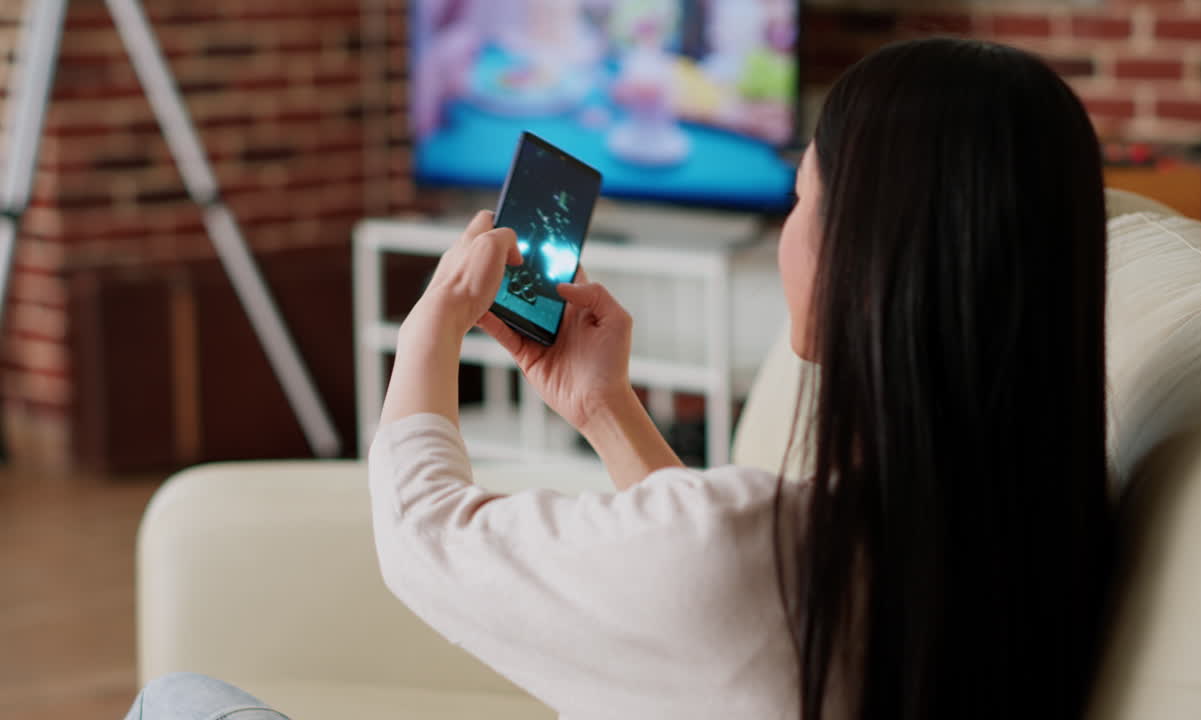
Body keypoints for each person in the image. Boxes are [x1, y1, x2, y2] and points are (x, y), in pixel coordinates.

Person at [125, 37, 1112, 720]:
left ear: (871, 255)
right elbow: (714, 598)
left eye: (798, 197)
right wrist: (605, 411)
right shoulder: (1029, 529)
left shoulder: (758, 555)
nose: (786, 229)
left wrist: (430, 328)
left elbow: (423, 536)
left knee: (176, 700)